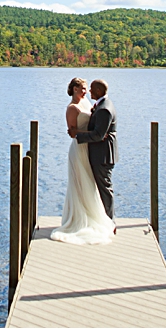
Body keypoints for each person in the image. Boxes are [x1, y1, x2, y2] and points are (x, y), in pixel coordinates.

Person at [50, 78, 115, 245]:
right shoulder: (72, 108)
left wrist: (96, 133)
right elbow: (72, 132)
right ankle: (79, 217)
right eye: (83, 89)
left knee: (93, 185)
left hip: (90, 148)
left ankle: (101, 218)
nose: (86, 92)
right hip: (80, 149)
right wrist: (91, 134)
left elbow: (96, 126)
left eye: (88, 89)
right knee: (81, 185)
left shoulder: (90, 103)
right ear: (74, 89)